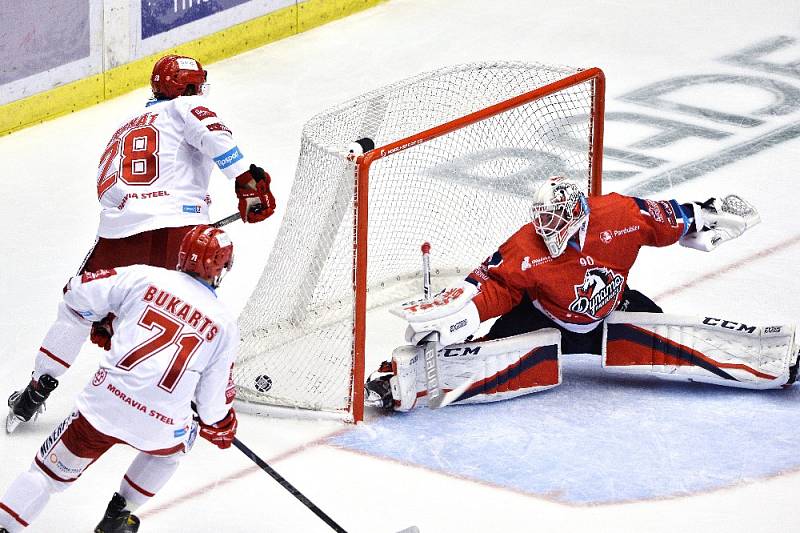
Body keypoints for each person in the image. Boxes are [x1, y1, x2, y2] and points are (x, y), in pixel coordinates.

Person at [6, 53, 275, 432]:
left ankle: (37, 389)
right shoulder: (186, 107)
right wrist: (246, 182)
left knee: (79, 306)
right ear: (189, 87)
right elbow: (214, 136)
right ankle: (201, 397)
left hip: (118, 231)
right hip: (182, 230)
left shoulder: (124, 128)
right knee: (190, 311)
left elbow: (108, 189)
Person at [366, 176, 798, 411]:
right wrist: (457, 315)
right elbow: (493, 287)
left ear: (577, 215)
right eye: (541, 221)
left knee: (674, 338)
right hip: (543, 318)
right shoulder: (524, 246)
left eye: (554, 221)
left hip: (612, 309)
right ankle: (400, 379)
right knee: (478, 356)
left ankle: (780, 361)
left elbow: (671, 221)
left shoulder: (619, 214)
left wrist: (706, 217)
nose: (545, 230)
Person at [0, 225, 240, 533]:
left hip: (104, 406)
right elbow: (210, 408)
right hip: (161, 426)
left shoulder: (143, 277)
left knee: (43, 475)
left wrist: (105, 316)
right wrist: (220, 423)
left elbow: (75, 292)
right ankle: (119, 516)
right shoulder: (224, 325)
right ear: (221, 266)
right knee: (176, 447)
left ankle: (6, 524)